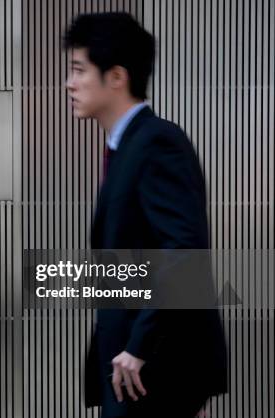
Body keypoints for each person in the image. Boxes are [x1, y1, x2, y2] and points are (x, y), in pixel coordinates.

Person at [63, 13, 227, 418]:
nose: (69, 83)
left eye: (79, 70)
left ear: (116, 76)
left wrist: (140, 348)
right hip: (133, 371)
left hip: (150, 371)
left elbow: (184, 251)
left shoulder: (157, 143)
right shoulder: (127, 149)